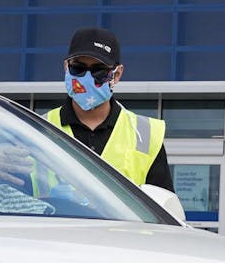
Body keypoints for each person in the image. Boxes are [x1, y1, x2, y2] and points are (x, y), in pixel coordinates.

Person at [46, 26, 173, 190]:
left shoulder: (146, 135)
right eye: (78, 68)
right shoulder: (38, 129)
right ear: (66, 67)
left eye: (98, 70)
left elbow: (163, 206)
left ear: (117, 74)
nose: (87, 77)